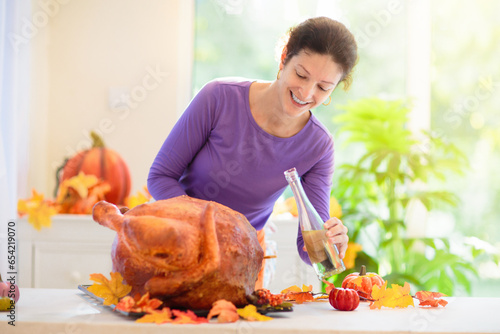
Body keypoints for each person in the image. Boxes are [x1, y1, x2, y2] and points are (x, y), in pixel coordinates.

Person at [147, 16, 358, 288]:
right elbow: (160, 176)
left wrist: (330, 246)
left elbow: (308, 250)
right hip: (176, 237)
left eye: (322, 87)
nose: (306, 92)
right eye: (301, 75)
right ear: (284, 58)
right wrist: (207, 227)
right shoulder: (219, 97)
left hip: (242, 260)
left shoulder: (318, 145)